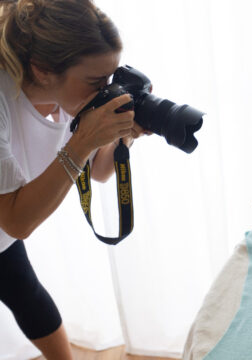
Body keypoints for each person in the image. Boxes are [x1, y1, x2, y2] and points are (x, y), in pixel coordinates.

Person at [0, 1, 146, 358]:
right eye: (97, 82)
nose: (105, 90)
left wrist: (125, 132)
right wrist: (82, 142)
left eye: (111, 78)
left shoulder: (70, 95)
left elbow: (98, 171)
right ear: (44, 70)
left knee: (27, 294)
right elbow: (17, 220)